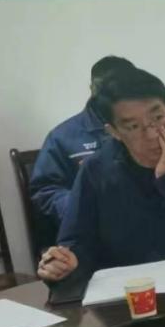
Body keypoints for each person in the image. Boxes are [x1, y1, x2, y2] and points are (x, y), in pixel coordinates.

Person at [37, 68, 165, 282]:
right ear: (114, 132)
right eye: (133, 126)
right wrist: (64, 262)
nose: (151, 134)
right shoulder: (96, 170)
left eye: (158, 118)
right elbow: (76, 242)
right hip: (130, 290)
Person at [30, 56, 136, 229]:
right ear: (93, 89)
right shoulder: (62, 137)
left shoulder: (152, 127)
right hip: (93, 230)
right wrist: (84, 206)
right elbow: (45, 192)